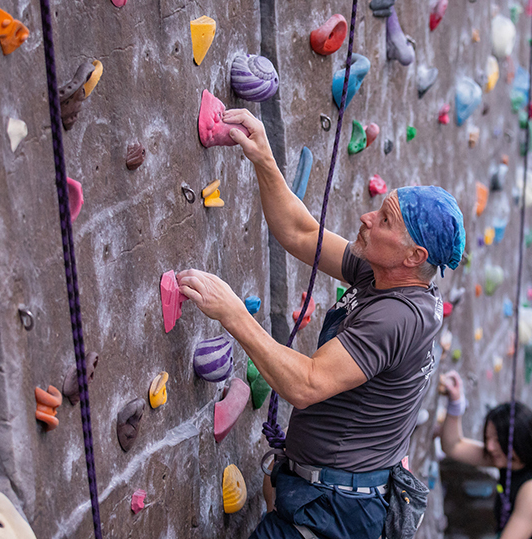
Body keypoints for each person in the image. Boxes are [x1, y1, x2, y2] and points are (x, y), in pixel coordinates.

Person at [176, 108, 466, 539]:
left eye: (385, 220)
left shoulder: (398, 315)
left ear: (415, 257)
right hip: (326, 499)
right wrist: (264, 160)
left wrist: (232, 313)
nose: (367, 218)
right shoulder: (383, 275)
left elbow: (306, 385)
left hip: (336, 515)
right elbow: (300, 233)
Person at [439, 371, 532, 539]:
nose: (489, 446)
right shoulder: (507, 460)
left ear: (520, 443)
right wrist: (455, 402)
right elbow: (453, 446)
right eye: (488, 438)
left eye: (497, 440)